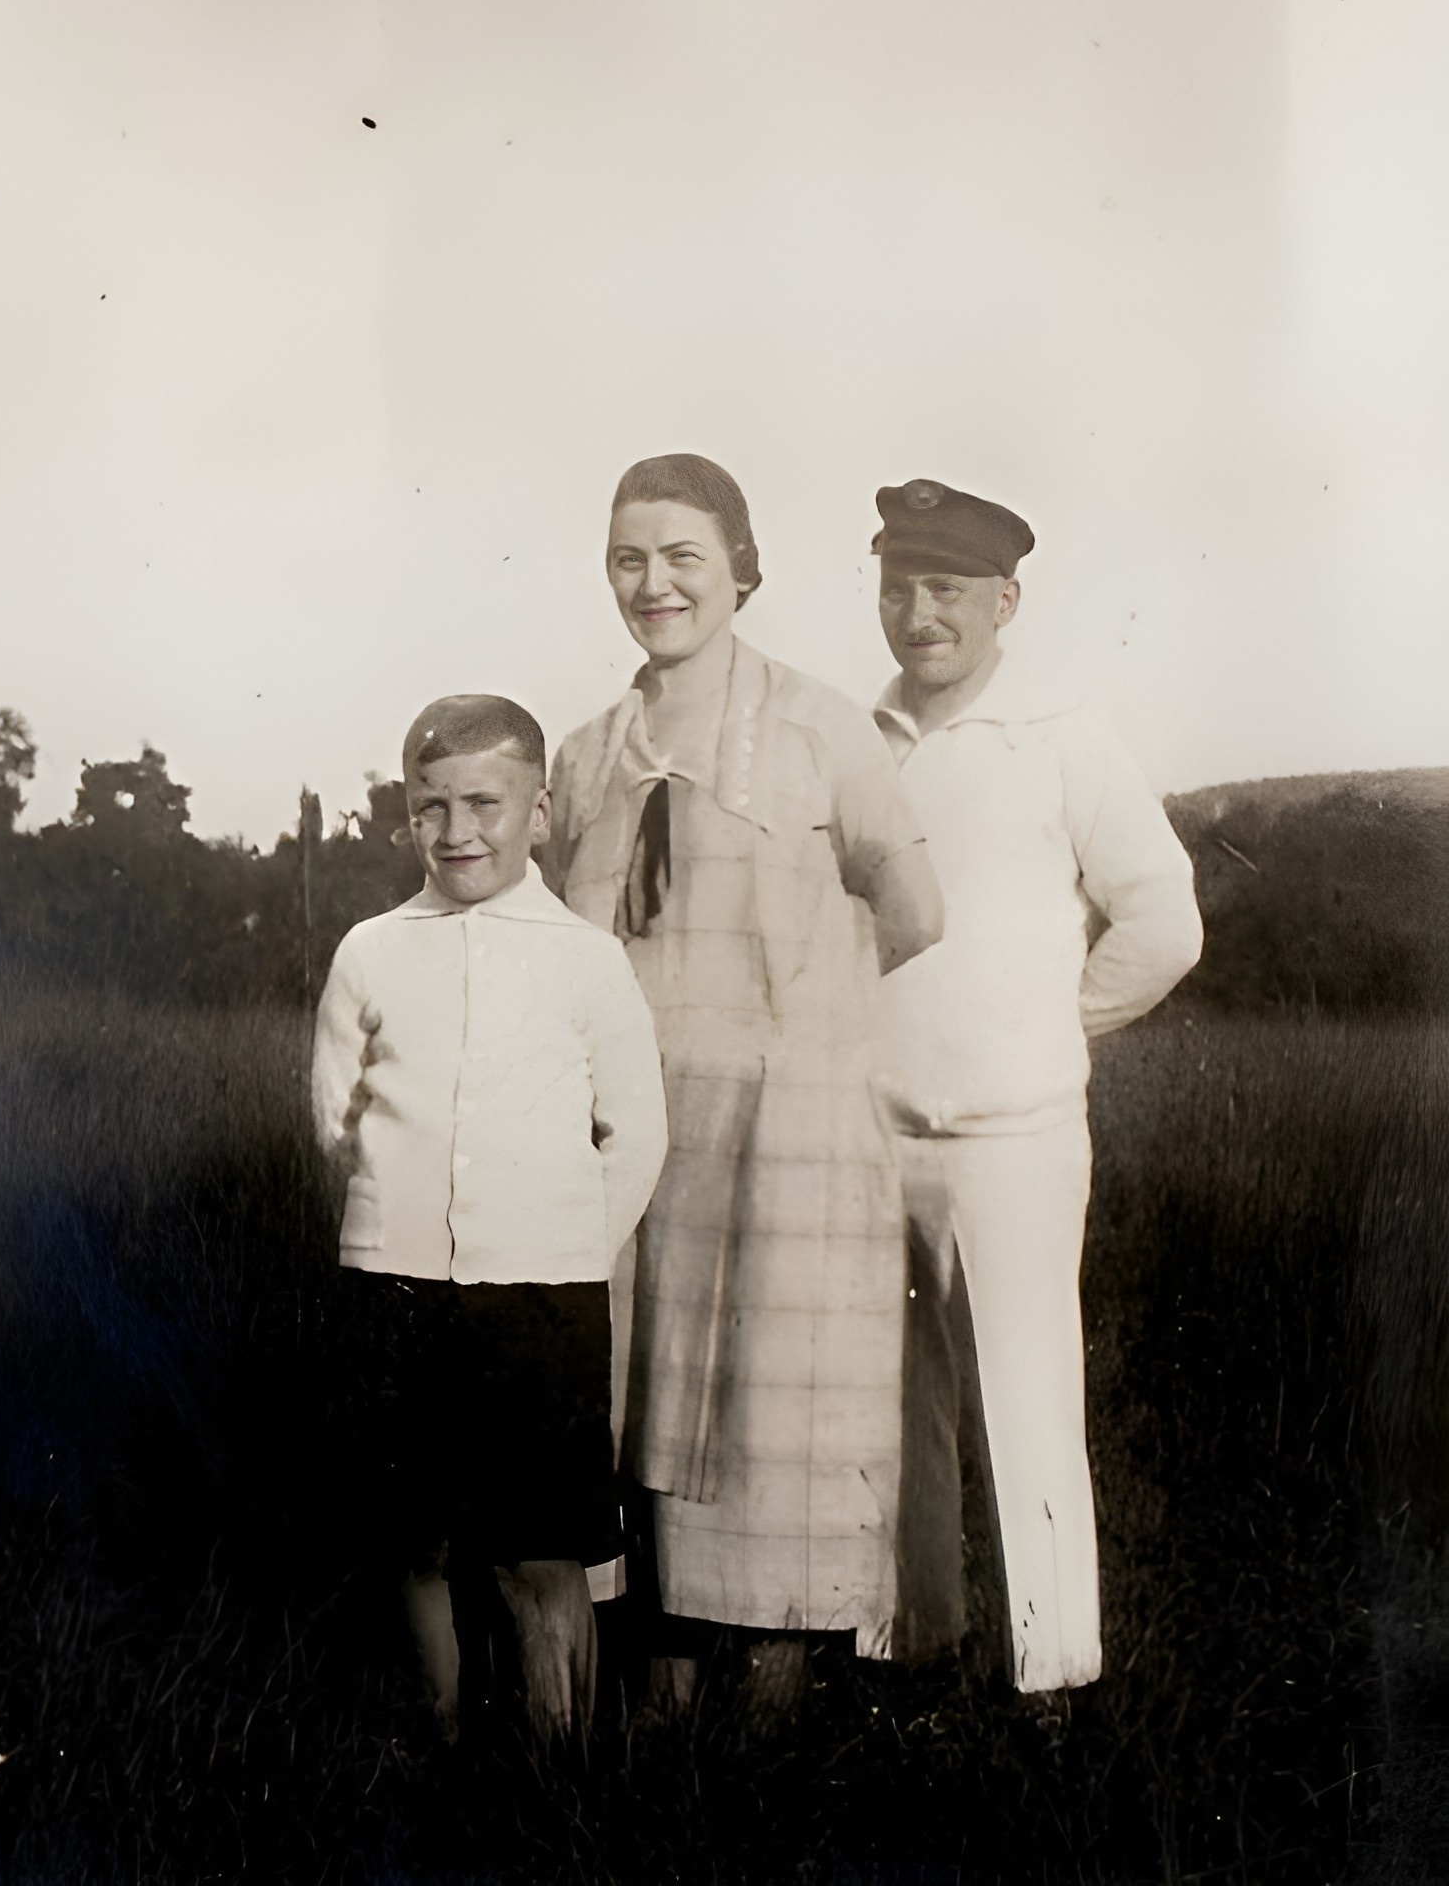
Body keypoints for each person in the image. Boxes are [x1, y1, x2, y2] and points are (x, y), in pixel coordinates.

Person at [545, 455, 943, 1724]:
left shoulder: (826, 729)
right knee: (641, 1397)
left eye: (682, 559)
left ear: (741, 571)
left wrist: (798, 1028)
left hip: (789, 1133)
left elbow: (916, 911)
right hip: (639, 1135)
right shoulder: (588, 753)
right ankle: (660, 1710)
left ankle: (774, 1716)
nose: (653, 585)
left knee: (777, 1416)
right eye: (628, 559)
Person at [868, 477, 1203, 1697]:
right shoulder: (861, 740)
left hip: (1017, 1135)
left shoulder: (1066, 736)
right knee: (894, 1413)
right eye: (897, 587)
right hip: (877, 1134)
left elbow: (1164, 925)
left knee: (1028, 1400)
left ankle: (1054, 1682)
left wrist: (1050, 1030)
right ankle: (912, 1650)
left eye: (945, 590)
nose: (919, 614)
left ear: (1006, 601)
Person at [311, 694, 668, 1748]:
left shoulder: (586, 958)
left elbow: (636, 1134)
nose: (458, 831)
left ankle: (558, 1766)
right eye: (430, 807)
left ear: (540, 812)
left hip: (540, 1301)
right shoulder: (373, 951)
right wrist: (393, 1223)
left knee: (538, 1548)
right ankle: (439, 1736)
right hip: (397, 1291)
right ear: (405, 814)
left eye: (484, 803)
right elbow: (335, 1119)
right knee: (413, 1536)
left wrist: (562, 1250)